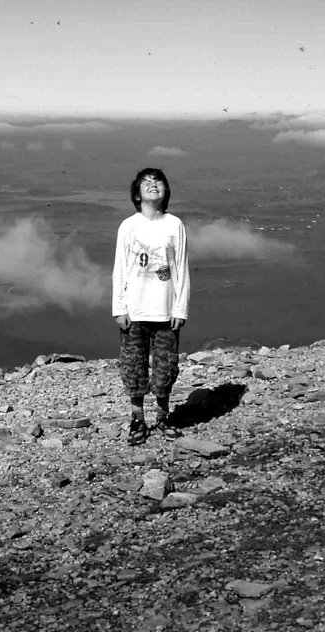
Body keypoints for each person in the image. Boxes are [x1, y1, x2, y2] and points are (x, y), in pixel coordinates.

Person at [112, 167, 190, 445]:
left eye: (158, 181)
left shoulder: (175, 225)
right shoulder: (128, 226)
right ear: (136, 193)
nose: (153, 185)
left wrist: (180, 309)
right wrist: (119, 308)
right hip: (135, 309)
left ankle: (162, 417)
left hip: (166, 309)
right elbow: (120, 270)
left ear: (166, 190)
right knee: (133, 367)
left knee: (165, 366)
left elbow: (181, 269)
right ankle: (137, 419)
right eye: (146, 182)